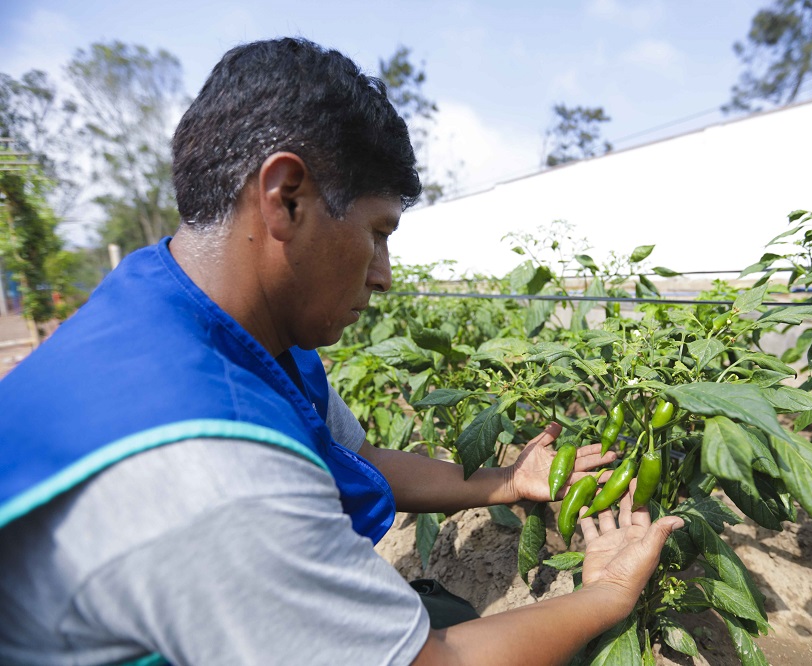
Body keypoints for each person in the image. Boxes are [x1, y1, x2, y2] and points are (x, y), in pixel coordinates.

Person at [0, 38, 683, 665]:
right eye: (378, 232)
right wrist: (607, 593)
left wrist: (505, 480)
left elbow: (348, 461)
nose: (383, 274)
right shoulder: (215, 476)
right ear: (285, 198)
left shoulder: (179, 302)